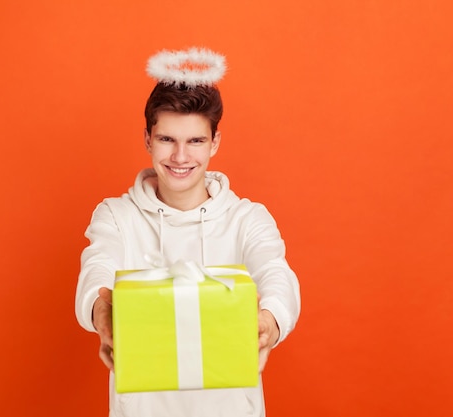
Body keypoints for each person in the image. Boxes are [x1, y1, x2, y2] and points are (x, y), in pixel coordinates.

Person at [75, 47, 301, 417]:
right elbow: (96, 269)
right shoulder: (116, 216)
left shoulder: (248, 219)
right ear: (148, 139)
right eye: (167, 140)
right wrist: (102, 312)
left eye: (195, 141)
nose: (180, 157)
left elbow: (277, 275)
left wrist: (269, 321)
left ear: (215, 143)